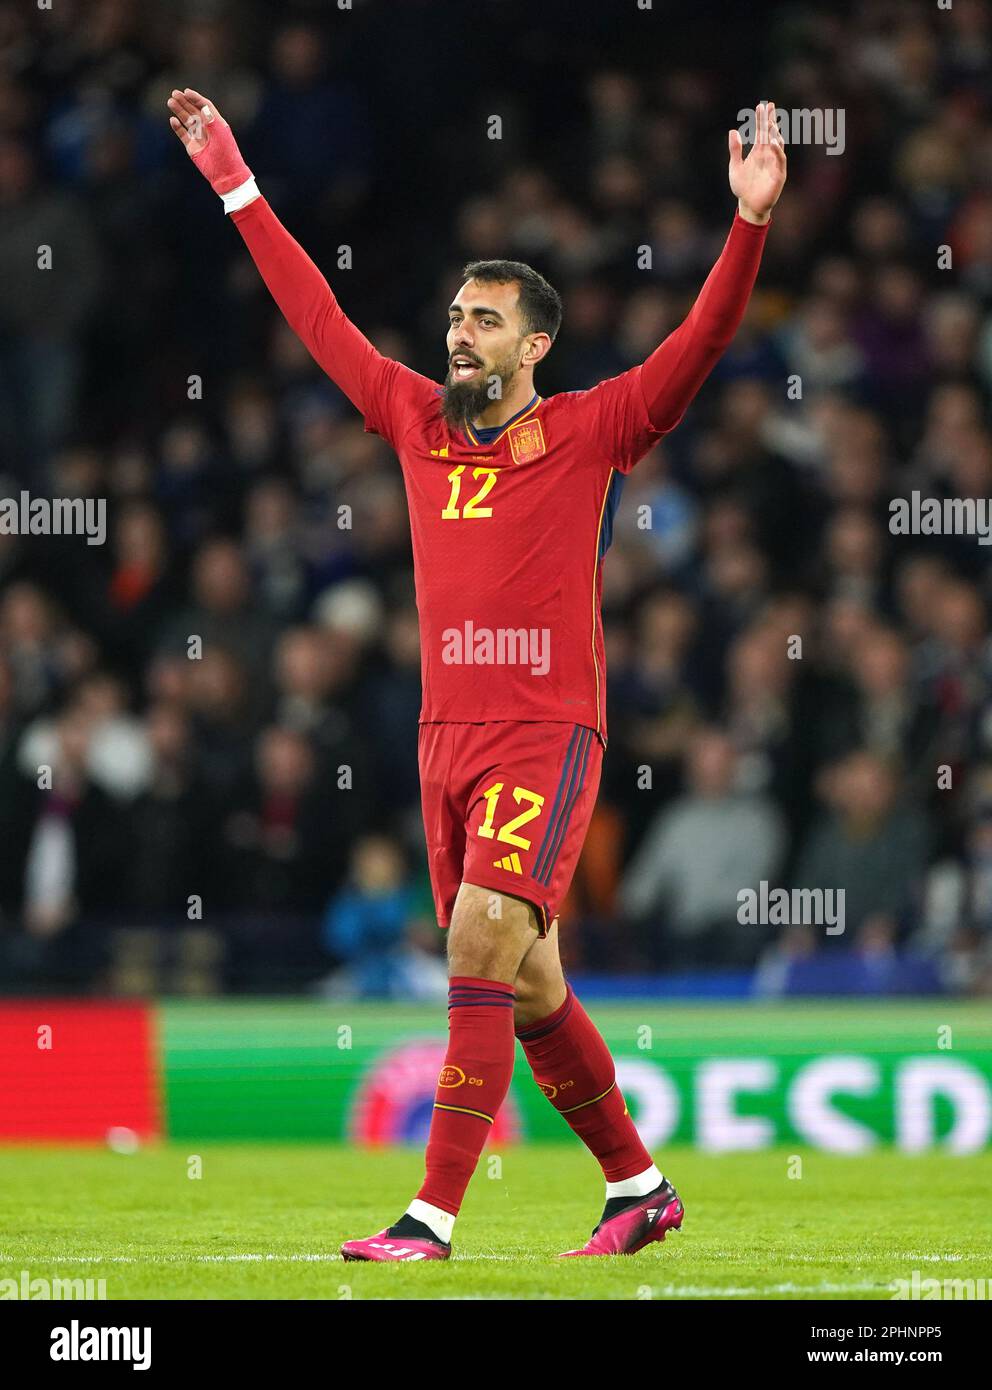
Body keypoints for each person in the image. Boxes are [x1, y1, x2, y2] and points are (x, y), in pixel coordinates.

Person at [167, 87, 786, 1260]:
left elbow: (699, 346)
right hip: (444, 736)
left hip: (547, 730)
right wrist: (235, 183)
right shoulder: (414, 423)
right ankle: (637, 1188)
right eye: (455, 315)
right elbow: (318, 318)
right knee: (533, 986)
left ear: (534, 345)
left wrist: (748, 222)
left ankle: (430, 1216)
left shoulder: (597, 429)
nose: (458, 334)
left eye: (485, 321)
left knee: (477, 941)